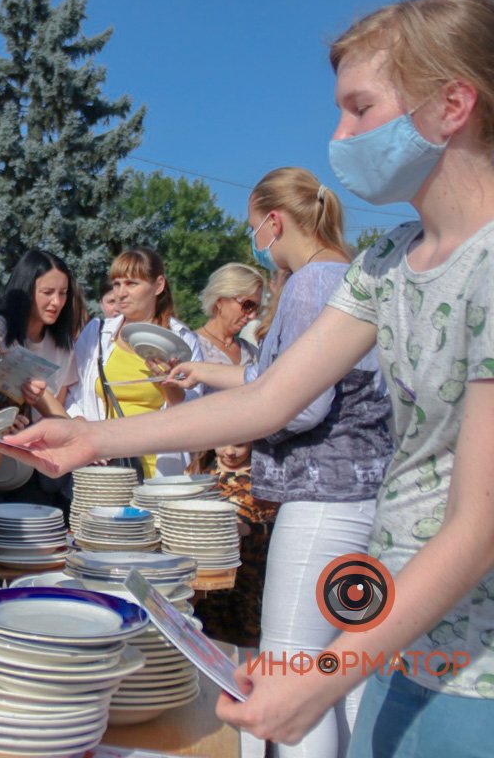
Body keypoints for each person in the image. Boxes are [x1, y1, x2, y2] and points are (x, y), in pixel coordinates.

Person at [1, 0, 494, 756]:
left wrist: (323, 677)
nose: (339, 137)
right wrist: (91, 440)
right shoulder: (388, 261)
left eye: (360, 109)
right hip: (403, 643)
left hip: (475, 674)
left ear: (452, 105)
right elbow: (269, 397)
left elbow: (478, 525)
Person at [177, 169, 392, 758]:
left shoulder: (307, 283)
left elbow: (295, 402)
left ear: (274, 222)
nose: (256, 240)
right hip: (367, 496)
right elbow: (275, 376)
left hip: (321, 502)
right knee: (342, 672)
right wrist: (204, 372)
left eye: (253, 227)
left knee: (291, 675)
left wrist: (242, 425)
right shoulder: (355, 274)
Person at [66, 247, 202, 477]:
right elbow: (71, 392)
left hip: (158, 471)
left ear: (158, 285)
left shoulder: (181, 340)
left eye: (131, 283)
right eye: (116, 284)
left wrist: (169, 383)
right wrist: (83, 428)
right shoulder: (97, 333)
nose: (121, 293)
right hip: (106, 469)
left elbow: (194, 413)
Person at [0, 250, 81, 511]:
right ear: (26, 290)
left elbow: (57, 410)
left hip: (37, 468)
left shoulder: (63, 346)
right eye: (47, 292)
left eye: (63, 293)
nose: (56, 302)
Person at [188, 442, 277, 650]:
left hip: (249, 575)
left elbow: (278, 524)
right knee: (206, 634)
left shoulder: (265, 475)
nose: (230, 451)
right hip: (208, 573)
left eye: (239, 444)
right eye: (222, 443)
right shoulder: (198, 470)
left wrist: (249, 529)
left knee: (245, 633)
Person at [196, 262, 264, 367]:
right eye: (248, 305)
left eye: (256, 309)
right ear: (220, 301)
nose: (252, 316)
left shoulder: (252, 353)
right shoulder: (190, 346)